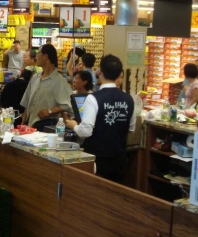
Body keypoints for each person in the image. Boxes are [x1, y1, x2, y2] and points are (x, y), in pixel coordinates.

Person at [64, 54, 136, 183]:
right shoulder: (128, 99)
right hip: (120, 158)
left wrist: (73, 125)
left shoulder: (93, 98)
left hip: (97, 158)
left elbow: (86, 132)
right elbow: (131, 128)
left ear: (100, 72)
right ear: (120, 74)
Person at [20, 44, 73, 129]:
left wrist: (50, 111)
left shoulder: (59, 80)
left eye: (38, 54)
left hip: (45, 128)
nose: (36, 57)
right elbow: (27, 103)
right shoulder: (35, 78)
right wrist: (23, 122)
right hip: (30, 126)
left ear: (45, 57)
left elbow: (68, 104)